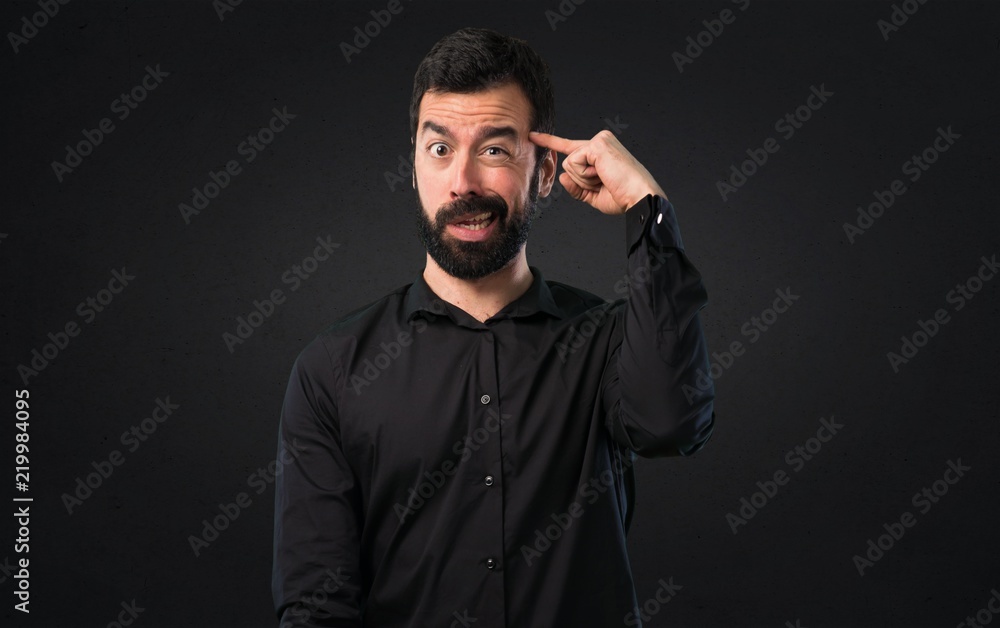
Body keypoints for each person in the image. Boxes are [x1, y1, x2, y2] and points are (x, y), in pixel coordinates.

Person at [272, 26, 715, 627]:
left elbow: (671, 424)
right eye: (440, 149)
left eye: (495, 149)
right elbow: (316, 606)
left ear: (543, 173)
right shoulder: (331, 370)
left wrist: (647, 206)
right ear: (413, 168)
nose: (463, 183)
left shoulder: (607, 341)